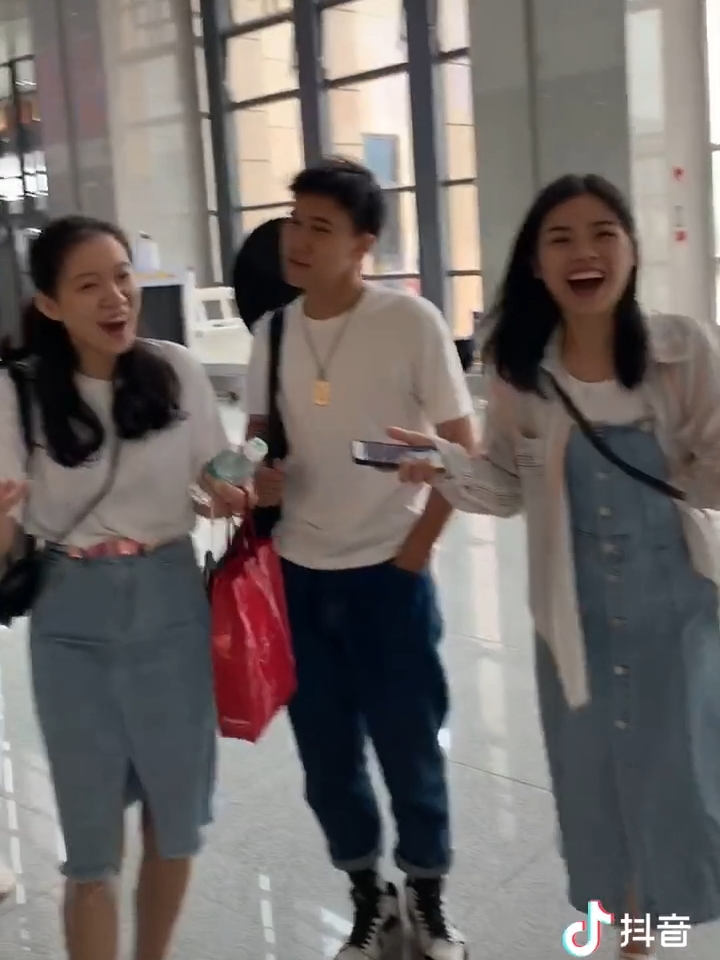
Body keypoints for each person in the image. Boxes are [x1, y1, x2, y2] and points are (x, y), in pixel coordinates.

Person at [390, 173, 720, 960]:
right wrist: (442, 464)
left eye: (604, 232)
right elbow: (506, 486)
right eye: (561, 238)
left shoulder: (683, 352)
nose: (585, 252)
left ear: (633, 250)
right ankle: (636, 942)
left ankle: (651, 931)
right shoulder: (522, 377)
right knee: (600, 793)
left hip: (677, 622)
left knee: (678, 786)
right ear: (537, 264)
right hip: (573, 630)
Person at [0, 215, 250, 960]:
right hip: (71, 621)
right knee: (90, 847)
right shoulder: (18, 394)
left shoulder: (175, 370)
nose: (115, 297)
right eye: (88, 284)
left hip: (172, 608)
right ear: (49, 303)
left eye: (121, 276)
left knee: (175, 824)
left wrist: (226, 491)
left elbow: (212, 483)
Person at [244, 157, 475, 960]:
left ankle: (427, 896)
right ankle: (366, 894)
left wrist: (413, 555)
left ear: (362, 244)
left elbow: (464, 453)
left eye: (320, 227)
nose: (297, 239)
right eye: (293, 220)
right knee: (327, 758)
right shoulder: (272, 333)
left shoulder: (408, 323)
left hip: (389, 577)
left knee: (411, 745)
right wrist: (249, 478)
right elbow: (255, 449)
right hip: (298, 580)